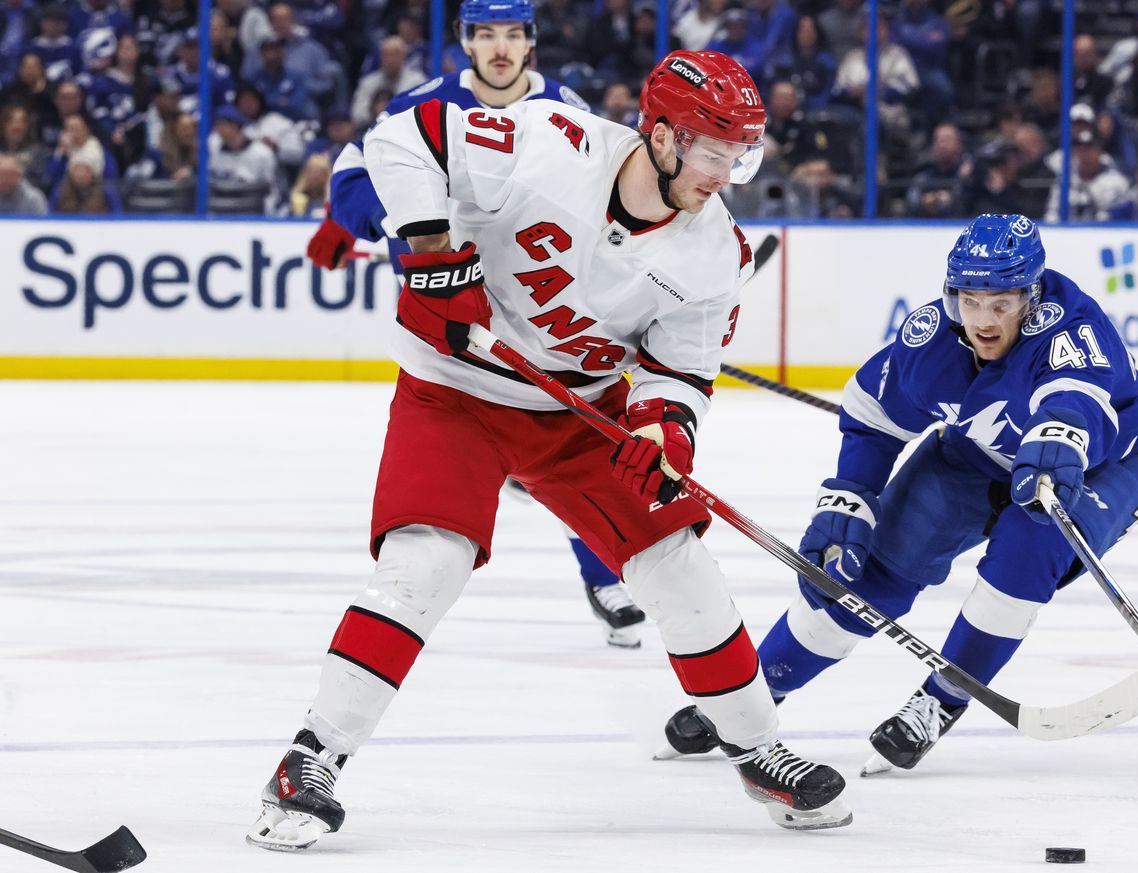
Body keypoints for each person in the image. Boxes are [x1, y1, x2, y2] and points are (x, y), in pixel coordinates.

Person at [245, 49, 852, 852]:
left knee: (677, 563)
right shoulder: (549, 142)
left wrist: (661, 432)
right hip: (455, 388)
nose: (724, 174)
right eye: (713, 151)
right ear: (662, 137)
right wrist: (429, 248)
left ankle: (756, 748)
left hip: (579, 414)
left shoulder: (716, 251)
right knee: (426, 562)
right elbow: (402, 140)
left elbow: (679, 370)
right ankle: (308, 761)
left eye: (740, 155)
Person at [658, 213, 1138, 778]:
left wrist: (1058, 436)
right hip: (974, 456)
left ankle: (941, 699)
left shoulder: (1072, 328)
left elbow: (1075, 397)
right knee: (866, 577)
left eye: (1001, 303)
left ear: (1030, 298)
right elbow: (872, 413)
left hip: (1096, 468)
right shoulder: (931, 340)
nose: (984, 319)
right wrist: (852, 493)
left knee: (1024, 555)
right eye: (970, 301)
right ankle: (753, 697)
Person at [307, 0, 645, 649]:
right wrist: (367, 219)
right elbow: (356, 169)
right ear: (465, 41)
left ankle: (604, 577)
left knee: (577, 440)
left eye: (512, 34)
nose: (499, 48)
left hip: (539, 309)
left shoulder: (568, 109)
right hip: (454, 314)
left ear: (531, 41)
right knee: (468, 451)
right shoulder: (424, 103)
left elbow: (614, 200)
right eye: (485, 34)